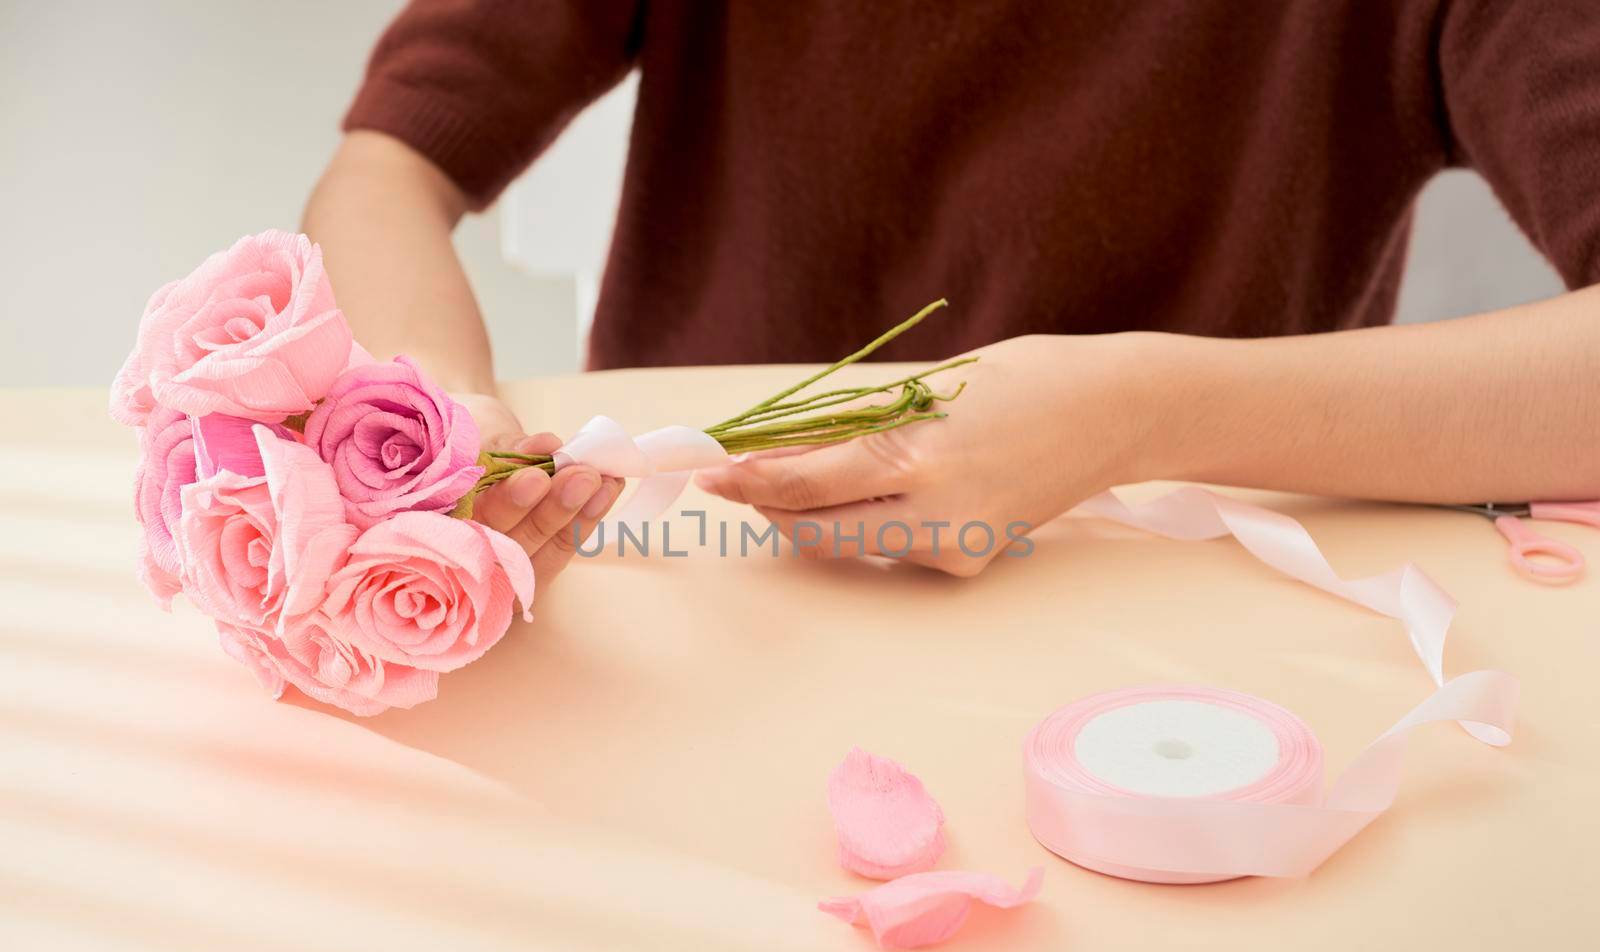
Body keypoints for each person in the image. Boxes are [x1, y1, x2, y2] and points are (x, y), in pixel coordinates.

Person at [303, 1, 1600, 580]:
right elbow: (387, 169)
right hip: (682, 583)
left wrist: (1140, 409)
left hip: (1171, 633)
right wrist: (442, 425)